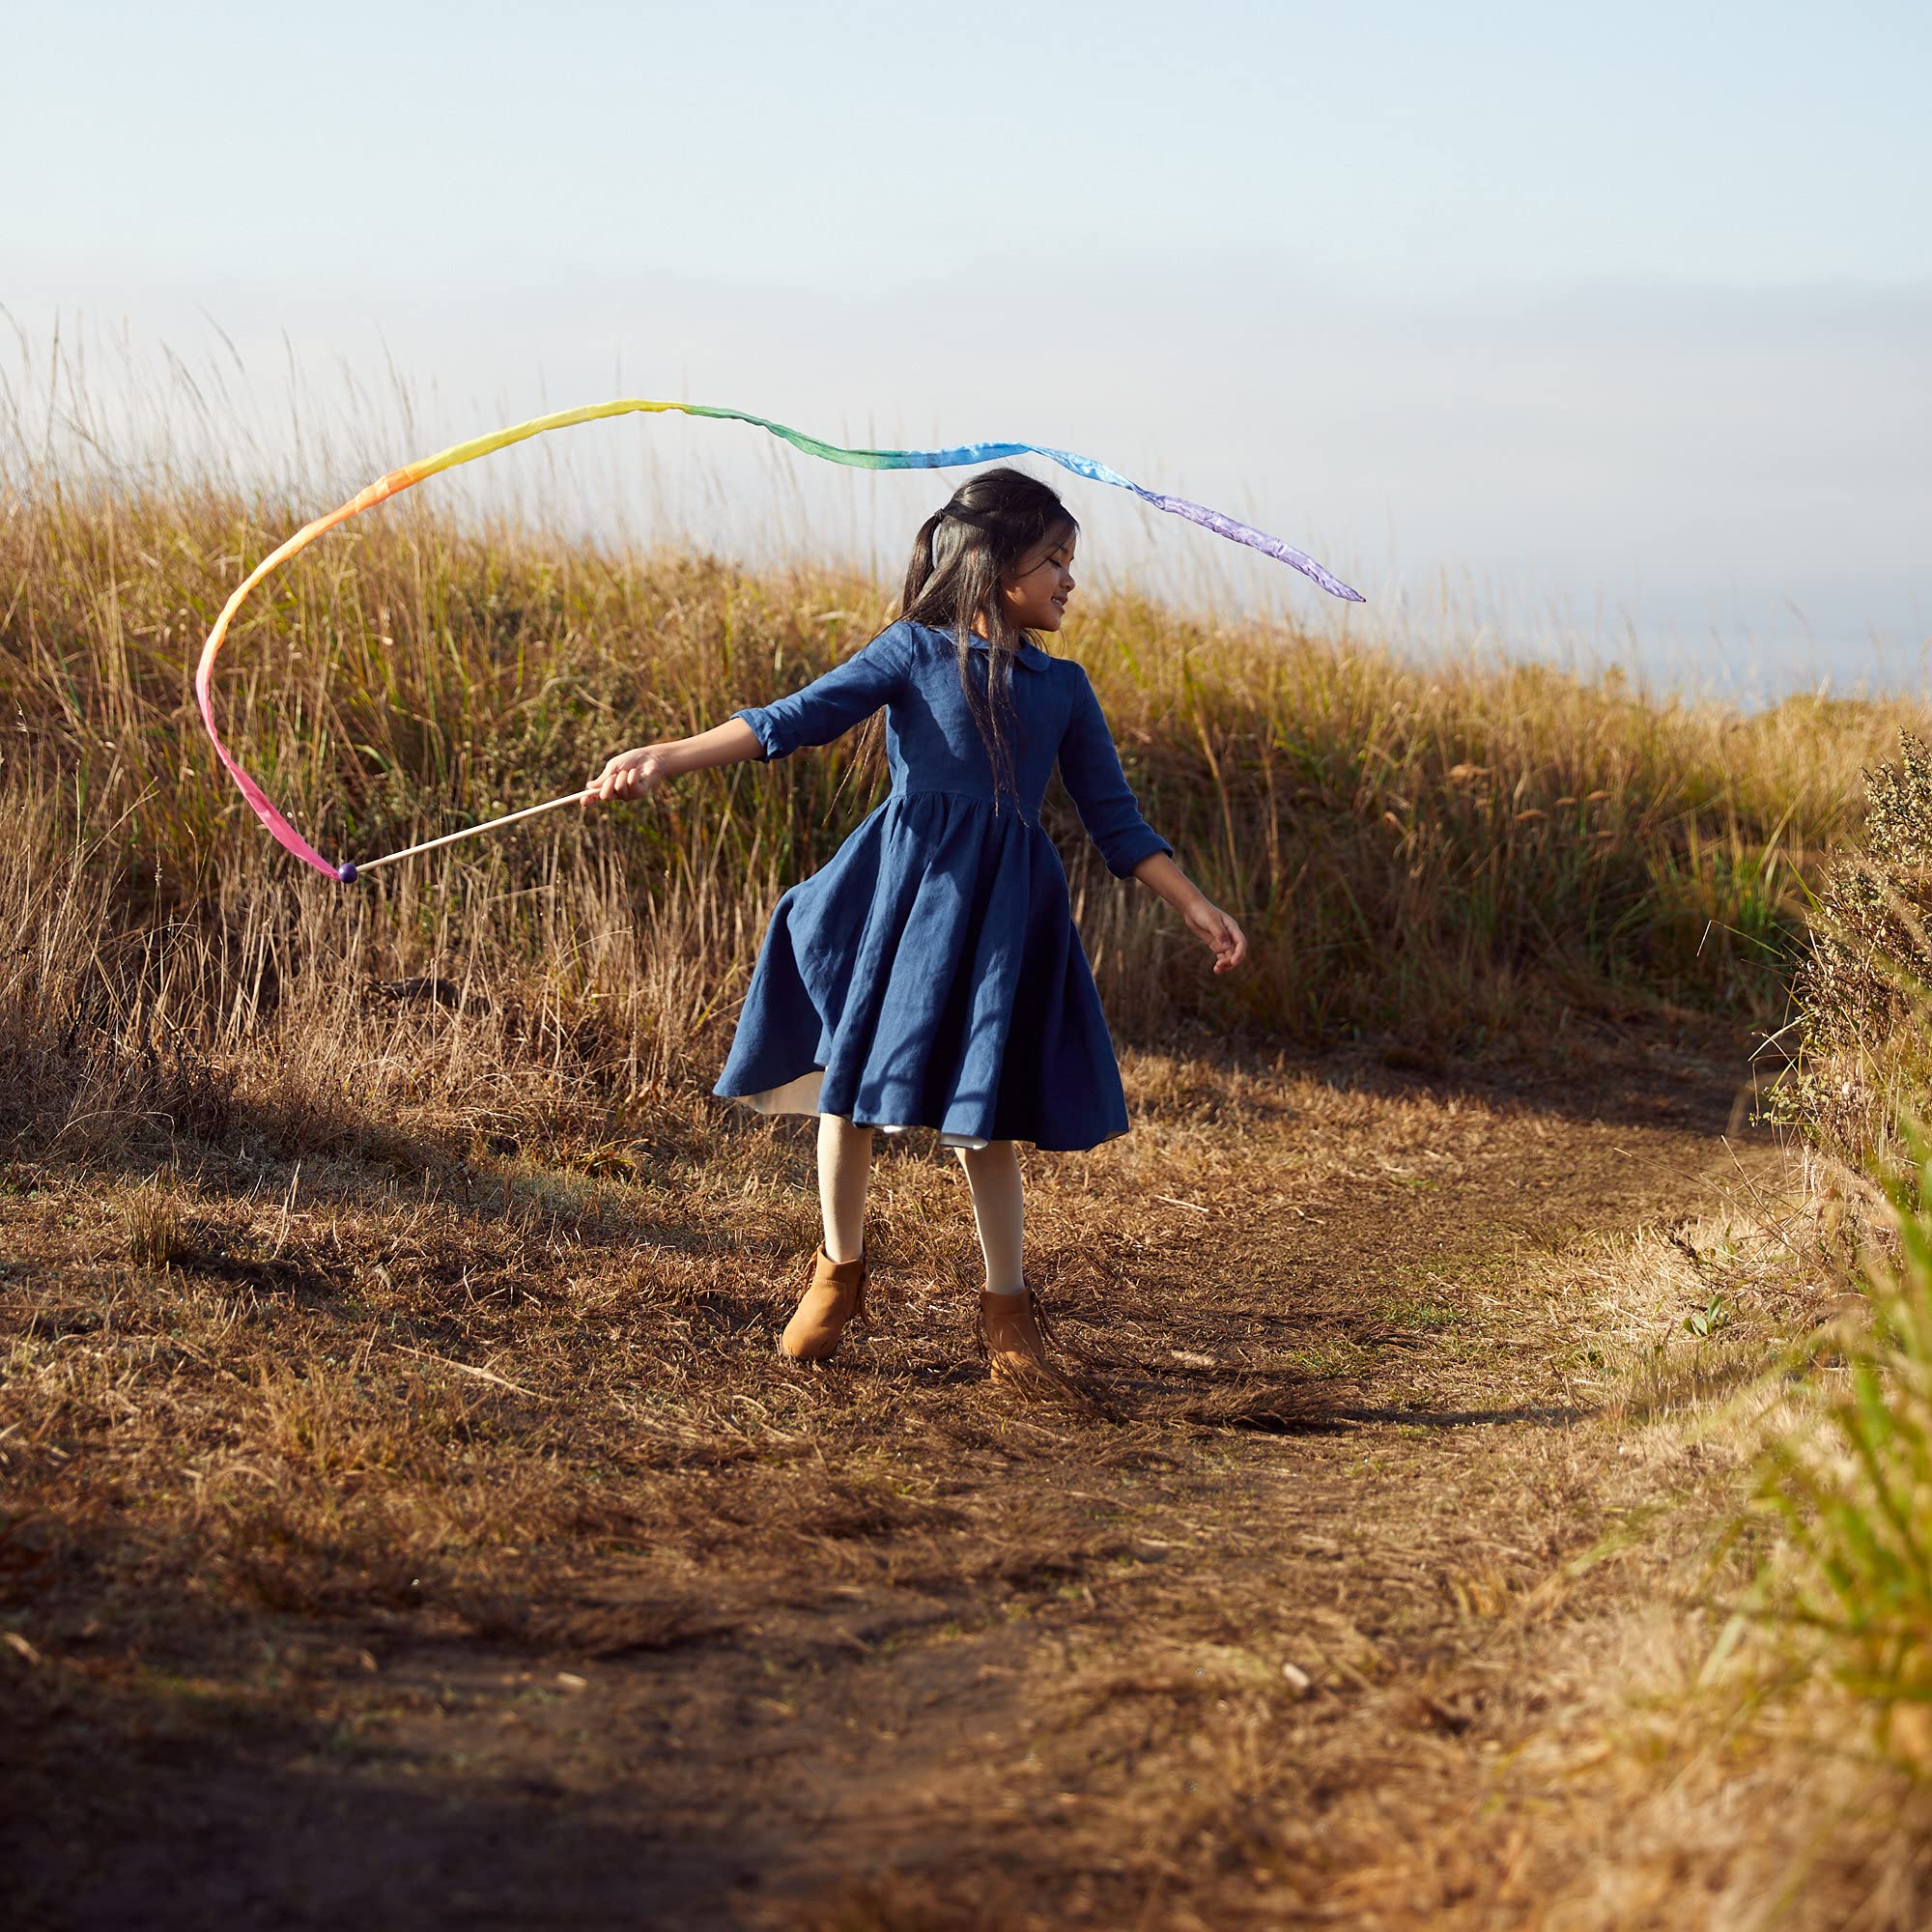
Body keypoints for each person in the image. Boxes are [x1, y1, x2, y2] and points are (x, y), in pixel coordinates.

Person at [585, 467, 1245, 1388]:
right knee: (847, 1091)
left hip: (1002, 918)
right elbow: (794, 720)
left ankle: (1006, 1307)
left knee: (985, 1112)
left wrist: (1193, 902)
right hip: (901, 902)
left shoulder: (1064, 689)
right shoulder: (912, 652)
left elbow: (1117, 823)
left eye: (1069, 561)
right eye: (1055, 558)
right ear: (996, 562)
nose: (1069, 580)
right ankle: (837, 1271)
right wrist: (668, 756)